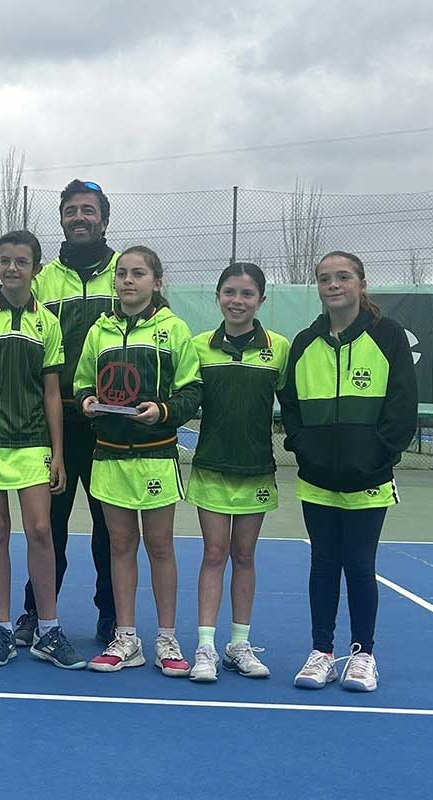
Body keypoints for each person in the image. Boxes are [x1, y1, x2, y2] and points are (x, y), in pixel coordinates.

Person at [280, 251, 418, 692]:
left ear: (361, 284)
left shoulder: (388, 335)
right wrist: (305, 449)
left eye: (343, 277)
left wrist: (378, 457)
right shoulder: (305, 342)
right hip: (317, 480)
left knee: (359, 566)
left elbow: (402, 406)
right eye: (325, 279)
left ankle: (362, 655)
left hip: (369, 480)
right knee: (323, 565)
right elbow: (291, 406)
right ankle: (321, 652)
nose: (333, 285)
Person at [0, 230, 85, 670]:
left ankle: (48, 629)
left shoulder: (46, 322)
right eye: (5, 260)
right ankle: (2, 629)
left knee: (41, 531)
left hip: (33, 443)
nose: (12, 268)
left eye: (21, 261)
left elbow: (52, 393)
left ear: (36, 269)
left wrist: (58, 452)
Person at [75, 246, 202, 677]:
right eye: (122, 274)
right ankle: (126, 638)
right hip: (109, 456)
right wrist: (86, 401)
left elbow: (191, 389)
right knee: (120, 546)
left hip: (156, 456)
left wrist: (163, 411)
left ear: (156, 282)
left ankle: (167, 638)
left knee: (160, 546)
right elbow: (82, 382)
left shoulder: (173, 329)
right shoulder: (99, 330)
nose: (128, 280)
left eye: (138, 273)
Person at [22, 179, 120, 646]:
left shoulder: (126, 272)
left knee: (110, 530)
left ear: (104, 217)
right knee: (47, 528)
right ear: (62, 219)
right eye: (71, 210)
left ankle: (113, 617)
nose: (79, 217)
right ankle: (36, 614)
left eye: (88, 210)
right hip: (54, 426)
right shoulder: (41, 281)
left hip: (111, 426)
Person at [185, 262, 289, 682]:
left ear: (261, 300)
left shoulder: (279, 348)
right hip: (211, 469)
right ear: (218, 297)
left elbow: (294, 406)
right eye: (230, 292)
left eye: (247, 294)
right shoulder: (198, 347)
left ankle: (239, 645)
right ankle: (206, 647)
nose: (237, 301)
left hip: (256, 470)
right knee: (214, 554)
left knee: (244, 555)